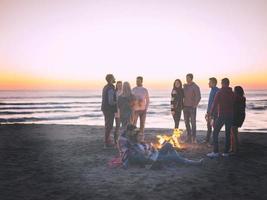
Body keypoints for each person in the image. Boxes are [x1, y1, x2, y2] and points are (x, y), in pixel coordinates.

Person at [118, 124, 203, 169]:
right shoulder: (126, 141)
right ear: (129, 132)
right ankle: (190, 163)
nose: (135, 134)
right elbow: (127, 154)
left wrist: (150, 148)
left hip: (153, 154)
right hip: (152, 158)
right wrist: (126, 163)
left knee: (168, 144)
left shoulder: (134, 140)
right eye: (133, 132)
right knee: (172, 157)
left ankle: (179, 159)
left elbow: (144, 146)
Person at [207, 78, 234, 158]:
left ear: (222, 83)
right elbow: (234, 104)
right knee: (228, 133)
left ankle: (216, 152)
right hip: (230, 115)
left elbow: (214, 104)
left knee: (215, 132)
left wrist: (210, 114)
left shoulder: (219, 92)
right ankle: (226, 152)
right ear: (228, 84)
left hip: (222, 115)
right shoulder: (232, 93)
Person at [183, 73, 201, 143]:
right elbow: (182, 95)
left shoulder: (195, 86)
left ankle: (194, 138)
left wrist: (195, 105)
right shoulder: (185, 86)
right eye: (186, 78)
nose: (186, 79)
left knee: (193, 123)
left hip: (192, 108)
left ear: (191, 78)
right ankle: (189, 137)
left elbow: (198, 97)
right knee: (186, 123)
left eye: (188, 78)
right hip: (185, 107)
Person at [101, 74, 117, 148]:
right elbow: (111, 102)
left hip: (105, 108)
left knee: (107, 125)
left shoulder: (105, 87)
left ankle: (107, 141)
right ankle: (107, 143)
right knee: (109, 126)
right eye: (113, 78)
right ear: (111, 79)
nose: (115, 79)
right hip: (109, 109)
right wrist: (118, 102)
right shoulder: (110, 88)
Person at [132, 76, 150, 140]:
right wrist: (134, 102)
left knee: (142, 125)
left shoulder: (144, 90)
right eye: (136, 81)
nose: (137, 82)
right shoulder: (134, 89)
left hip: (143, 110)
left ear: (141, 81)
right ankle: (134, 138)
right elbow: (131, 99)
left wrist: (146, 109)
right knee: (134, 125)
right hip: (135, 110)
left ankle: (141, 139)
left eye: (139, 81)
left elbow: (148, 100)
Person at [230, 86, 246, 154]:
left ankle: (235, 149)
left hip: (236, 116)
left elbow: (233, 106)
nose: (233, 92)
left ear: (237, 92)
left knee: (234, 133)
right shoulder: (242, 98)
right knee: (233, 133)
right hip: (240, 116)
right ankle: (233, 148)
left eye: (234, 91)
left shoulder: (237, 98)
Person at [204, 77, 219, 144]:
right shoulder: (212, 90)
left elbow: (216, 103)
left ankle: (214, 141)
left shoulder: (217, 91)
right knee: (209, 126)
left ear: (213, 83)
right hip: (210, 112)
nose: (208, 83)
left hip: (214, 112)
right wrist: (207, 112)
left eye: (209, 82)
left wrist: (212, 112)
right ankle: (207, 140)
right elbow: (210, 103)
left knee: (214, 126)